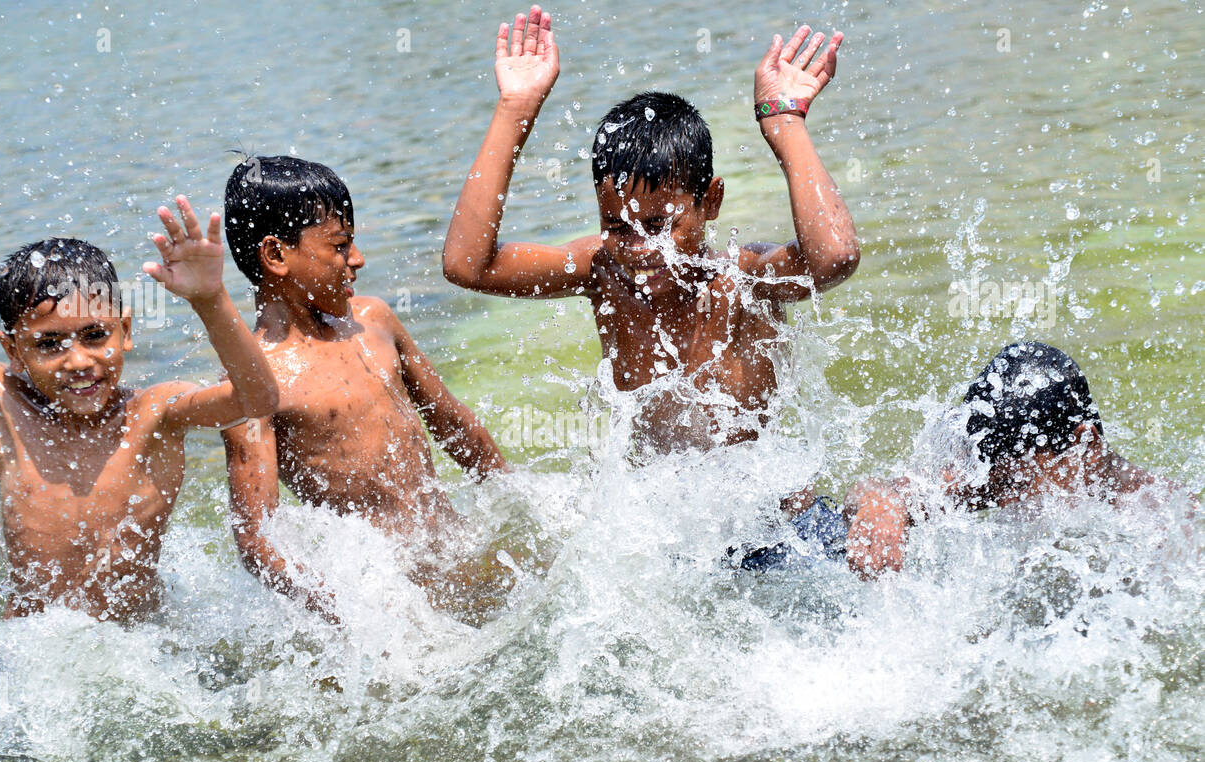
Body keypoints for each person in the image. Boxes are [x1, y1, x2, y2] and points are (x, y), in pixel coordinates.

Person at [442, 6, 859, 471]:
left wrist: (785, 122)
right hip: (663, 534)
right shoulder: (603, 272)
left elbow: (834, 258)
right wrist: (515, 108)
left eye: (659, 225)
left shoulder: (744, 281)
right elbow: (467, 265)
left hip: (770, 525)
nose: (639, 249)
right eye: (617, 227)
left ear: (711, 201)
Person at [0, 199, 279, 621]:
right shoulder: (4, 399)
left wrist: (210, 299)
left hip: (137, 643)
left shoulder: (153, 414)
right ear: (13, 351)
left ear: (125, 331)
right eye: (48, 344)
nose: (79, 361)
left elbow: (257, 400)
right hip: (29, 645)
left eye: (95, 335)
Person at [219, 156, 507, 620]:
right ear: (276, 256)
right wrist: (349, 611)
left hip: (458, 555)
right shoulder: (255, 385)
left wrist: (513, 497)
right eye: (339, 245)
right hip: (386, 601)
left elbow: (454, 424)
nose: (357, 259)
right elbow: (257, 540)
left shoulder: (374, 322)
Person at [844, 341, 1189, 578]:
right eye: (1000, 482)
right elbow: (868, 491)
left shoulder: (1164, 521)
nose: (1005, 499)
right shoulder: (1002, 474)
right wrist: (883, 507)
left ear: (1085, 445)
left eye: (1018, 482)